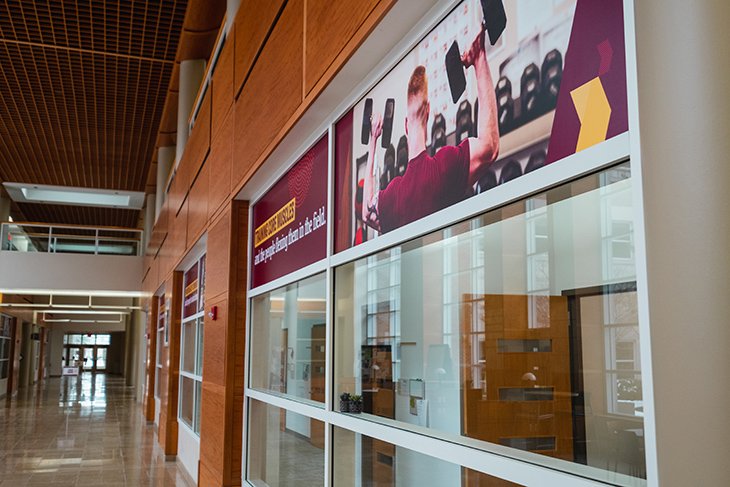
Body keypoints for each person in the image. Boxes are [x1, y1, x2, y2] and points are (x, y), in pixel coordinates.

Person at [362, 26, 499, 233]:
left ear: (406, 126)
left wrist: (373, 141)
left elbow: (366, 212)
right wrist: (479, 59)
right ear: (429, 114)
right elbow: (490, 146)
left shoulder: (393, 195)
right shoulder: (444, 166)